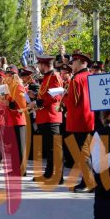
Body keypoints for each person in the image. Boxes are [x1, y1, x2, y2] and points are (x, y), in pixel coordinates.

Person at [63, 52, 95, 192]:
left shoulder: (76, 79)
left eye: (74, 61)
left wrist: (63, 97)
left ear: (81, 62)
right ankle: (86, 181)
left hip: (78, 121)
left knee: (83, 154)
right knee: (86, 153)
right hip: (89, 120)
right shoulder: (90, 77)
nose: (72, 64)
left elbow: (73, 102)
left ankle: (89, 183)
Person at [33, 54, 63, 184]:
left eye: (39, 64)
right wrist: (35, 97)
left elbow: (56, 96)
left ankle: (58, 176)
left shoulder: (54, 76)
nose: (38, 67)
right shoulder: (46, 77)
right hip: (44, 117)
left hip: (51, 117)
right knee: (49, 149)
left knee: (54, 148)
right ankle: (49, 173)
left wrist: (39, 102)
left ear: (43, 65)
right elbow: (45, 94)